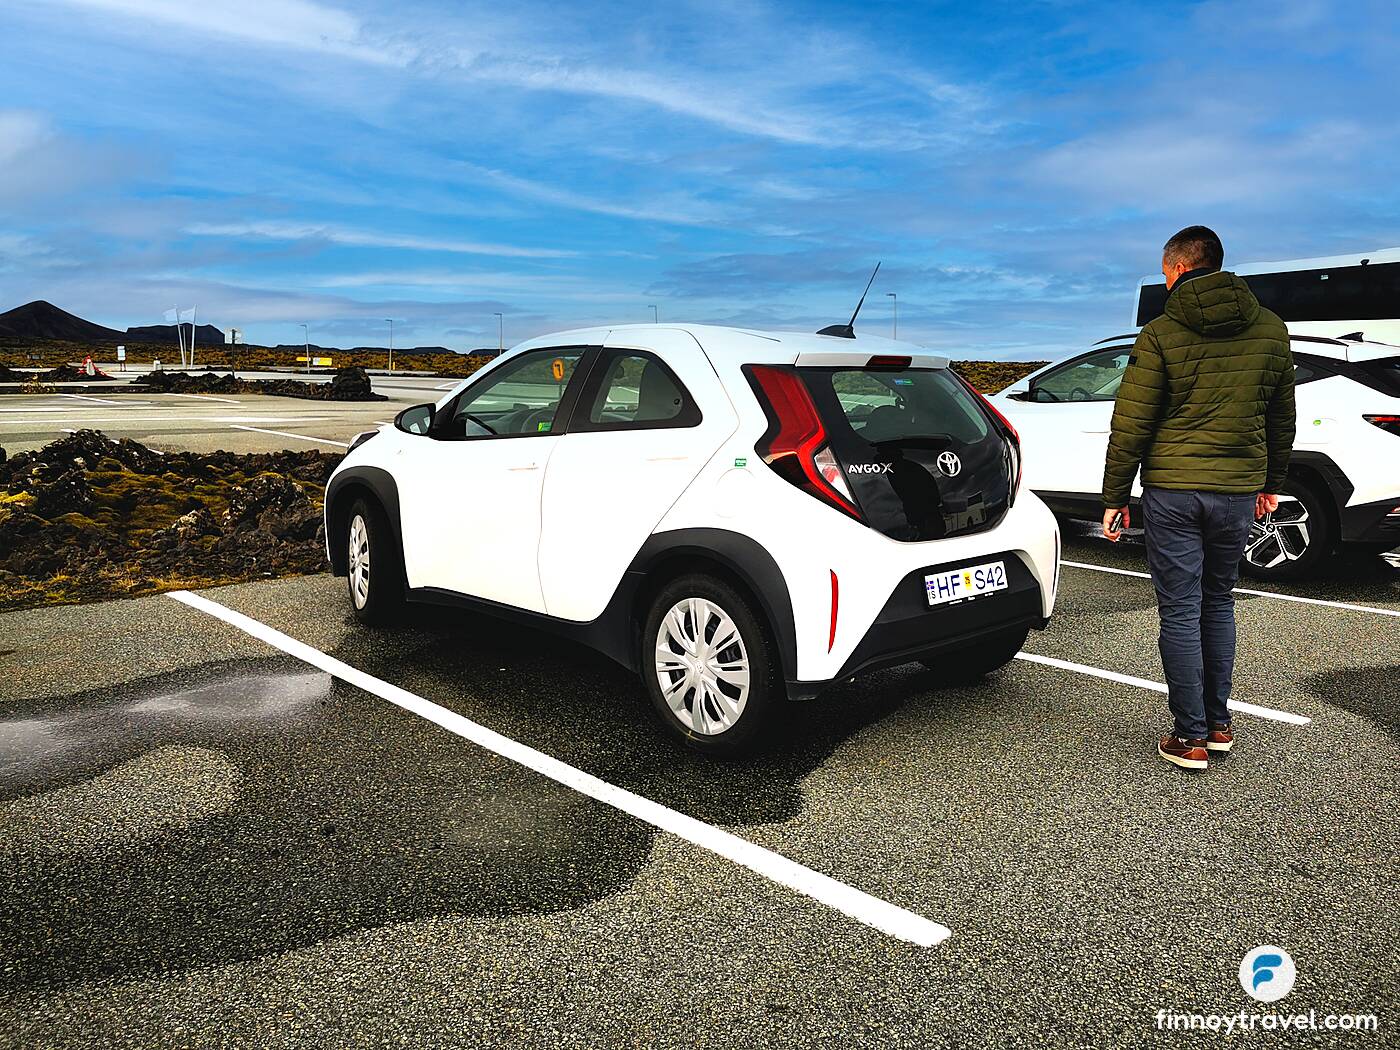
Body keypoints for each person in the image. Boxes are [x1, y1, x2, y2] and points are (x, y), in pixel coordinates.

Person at [1101, 226, 1295, 771]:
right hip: (1236, 491)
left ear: (1180, 269)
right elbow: (1281, 416)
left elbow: (1132, 420)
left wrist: (1115, 495)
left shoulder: (1162, 331)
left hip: (1174, 491)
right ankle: (1219, 724)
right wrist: (1270, 484)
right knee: (1219, 602)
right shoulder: (1270, 328)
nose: (1164, 283)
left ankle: (1188, 736)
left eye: (1165, 274)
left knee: (1181, 609)